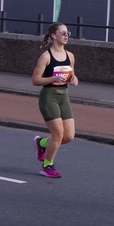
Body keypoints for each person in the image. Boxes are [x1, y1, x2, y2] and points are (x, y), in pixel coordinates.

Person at [30, 22, 78, 178]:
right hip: (49, 97)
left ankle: (42, 143)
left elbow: (71, 74)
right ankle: (47, 166)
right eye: (63, 33)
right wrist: (53, 78)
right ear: (53, 35)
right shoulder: (46, 56)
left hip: (64, 96)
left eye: (67, 33)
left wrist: (73, 79)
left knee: (68, 136)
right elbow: (35, 80)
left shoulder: (70, 56)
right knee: (58, 134)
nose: (66, 36)